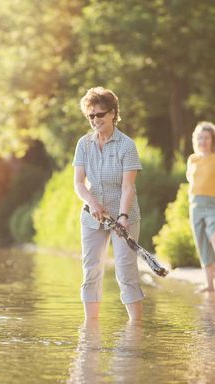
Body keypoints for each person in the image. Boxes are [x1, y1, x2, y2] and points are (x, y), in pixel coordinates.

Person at [72, 86, 144, 321]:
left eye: (99, 115)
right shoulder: (84, 144)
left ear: (113, 113)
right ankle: (90, 331)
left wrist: (122, 217)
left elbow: (128, 187)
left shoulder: (126, 145)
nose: (95, 120)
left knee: (126, 272)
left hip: (124, 216)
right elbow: (79, 184)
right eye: (90, 116)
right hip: (92, 218)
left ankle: (136, 330)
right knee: (91, 271)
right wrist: (92, 203)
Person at [186, 121, 215, 293]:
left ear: (213, 140)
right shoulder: (192, 159)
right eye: (199, 138)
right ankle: (210, 285)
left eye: (206, 138)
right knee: (202, 245)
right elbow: (193, 181)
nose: (202, 141)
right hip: (195, 206)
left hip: (213, 205)